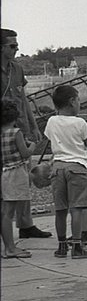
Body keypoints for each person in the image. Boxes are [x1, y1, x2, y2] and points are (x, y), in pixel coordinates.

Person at [0, 29, 51, 239]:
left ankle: (26, 224)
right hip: (3, 134)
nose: (16, 48)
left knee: (22, 178)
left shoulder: (18, 70)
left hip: (20, 129)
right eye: (12, 45)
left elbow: (24, 100)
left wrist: (33, 126)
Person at [44, 85, 87, 259]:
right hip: (77, 167)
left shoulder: (51, 121)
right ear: (72, 102)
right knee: (77, 208)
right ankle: (76, 246)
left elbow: (52, 138)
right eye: (78, 100)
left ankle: (61, 247)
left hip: (57, 167)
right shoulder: (80, 122)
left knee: (60, 209)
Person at [1, 101, 34, 258]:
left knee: (6, 211)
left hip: (5, 172)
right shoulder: (16, 132)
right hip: (16, 173)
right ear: (14, 117)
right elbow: (25, 153)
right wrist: (33, 146)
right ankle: (10, 248)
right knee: (8, 212)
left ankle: (8, 246)